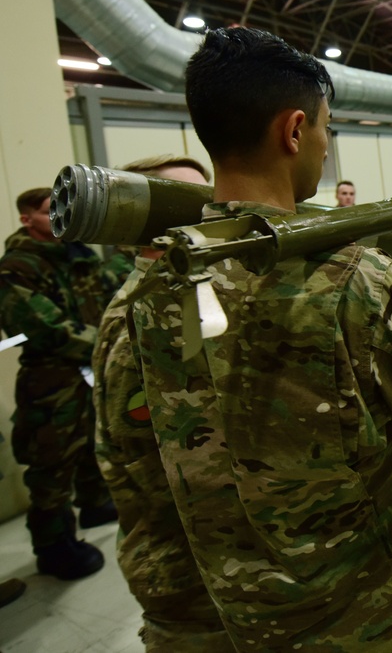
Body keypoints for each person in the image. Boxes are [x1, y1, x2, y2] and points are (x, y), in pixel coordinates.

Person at [128, 27, 392, 650]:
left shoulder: (160, 284)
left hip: (267, 622)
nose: (326, 145)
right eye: (327, 127)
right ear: (294, 131)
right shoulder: (354, 282)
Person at [92, 156, 234, 651]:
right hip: (189, 579)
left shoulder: (184, 297)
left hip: (223, 568)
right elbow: (150, 466)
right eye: (186, 201)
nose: (205, 211)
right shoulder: (140, 320)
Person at [0, 188, 118, 580]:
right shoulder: (16, 267)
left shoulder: (78, 255)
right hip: (51, 379)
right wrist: (108, 344)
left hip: (91, 371)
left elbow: (108, 297)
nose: (62, 215)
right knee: (51, 463)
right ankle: (53, 546)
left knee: (90, 442)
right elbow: (43, 326)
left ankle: (95, 503)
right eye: (52, 210)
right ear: (27, 219)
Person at [102, 156, 212, 286]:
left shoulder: (208, 270)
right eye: (191, 198)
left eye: (209, 196)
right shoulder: (139, 298)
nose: (208, 209)